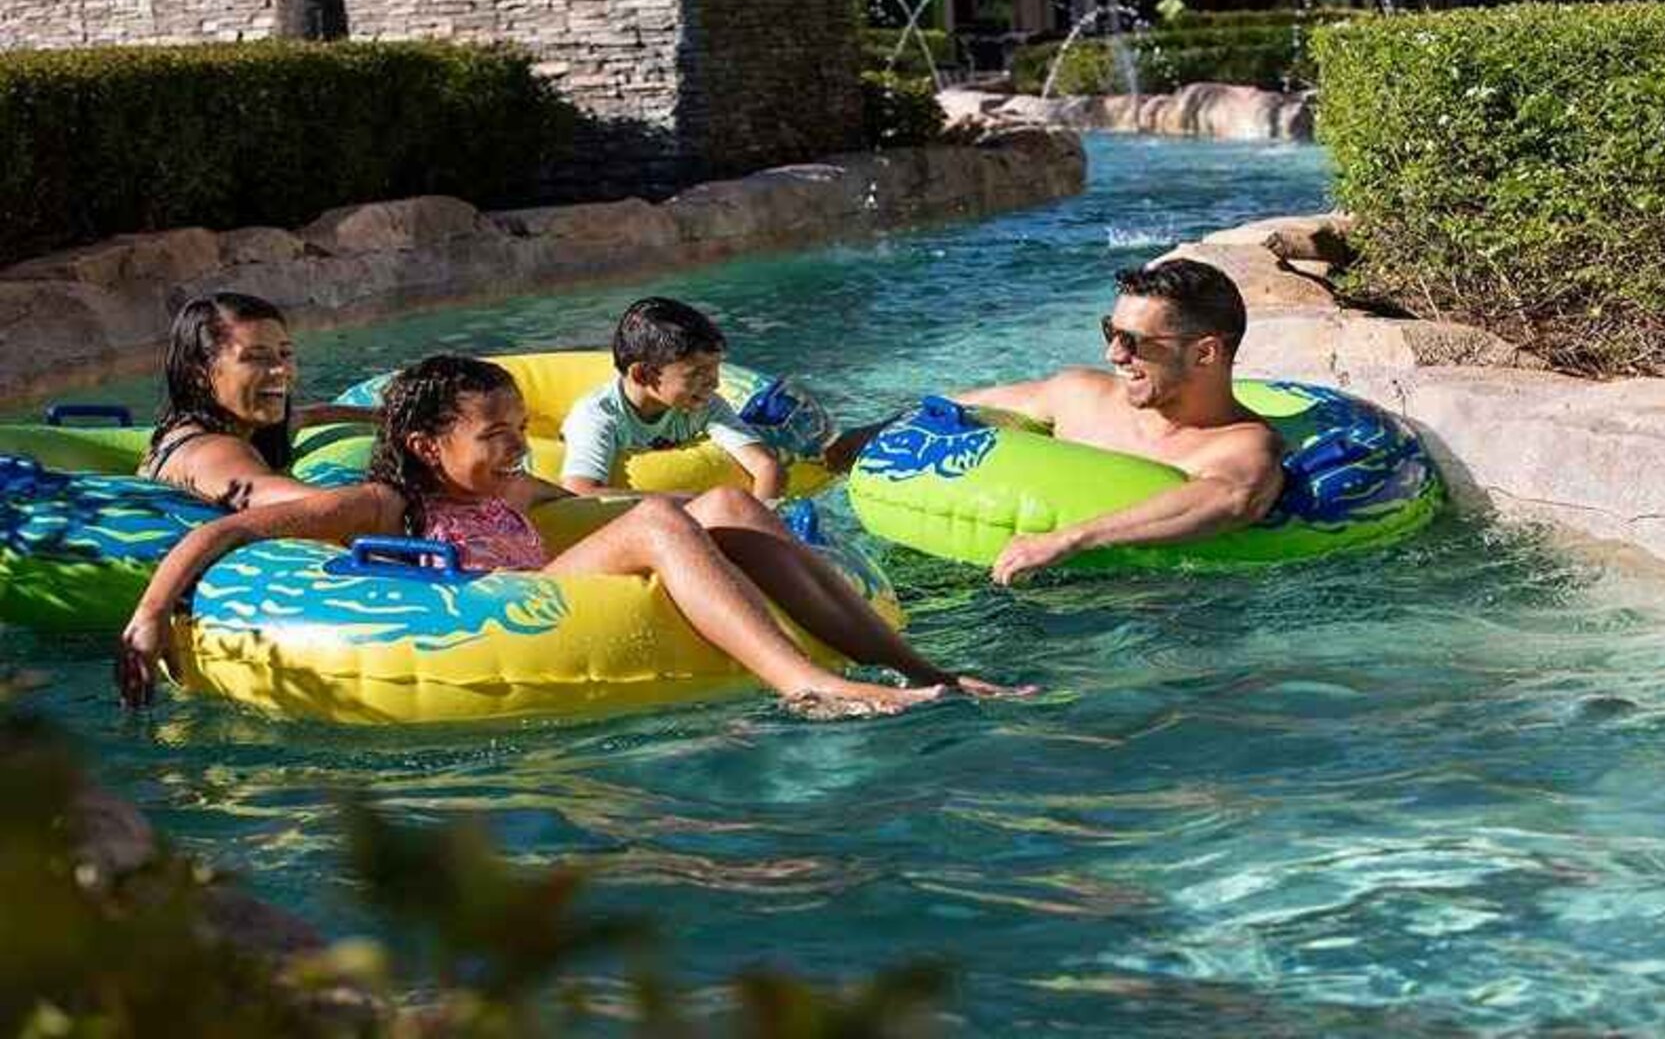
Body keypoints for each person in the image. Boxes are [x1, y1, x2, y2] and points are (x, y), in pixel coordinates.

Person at [117, 355, 1021, 717]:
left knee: (730, 512)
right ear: (430, 446)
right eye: (497, 435)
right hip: (478, 614)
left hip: (558, 580)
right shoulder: (379, 504)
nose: (516, 447)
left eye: (519, 427)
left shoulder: (517, 485)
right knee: (665, 518)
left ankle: (920, 668)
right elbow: (231, 531)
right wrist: (153, 615)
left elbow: (587, 506)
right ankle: (808, 687)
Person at [831, 259, 1285, 586]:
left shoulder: (1241, 446)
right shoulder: (1080, 396)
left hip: (1136, 610)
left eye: (1133, 341)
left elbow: (1232, 499)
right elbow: (958, 408)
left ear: (1205, 353)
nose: (1114, 355)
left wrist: (1069, 540)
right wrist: (840, 447)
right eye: (1111, 332)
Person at [139, 293, 372, 510]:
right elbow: (323, 509)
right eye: (255, 357)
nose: (281, 370)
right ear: (200, 375)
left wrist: (380, 415)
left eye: (285, 354)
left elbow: (309, 415)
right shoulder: (212, 453)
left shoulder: (221, 425)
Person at [559, 297, 786, 502]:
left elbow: (766, 466)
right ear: (642, 375)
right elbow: (581, 491)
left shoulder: (704, 404)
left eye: (716, 369)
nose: (714, 383)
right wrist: (688, 501)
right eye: (697, 373)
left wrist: (763, 521)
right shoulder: (598, 415)